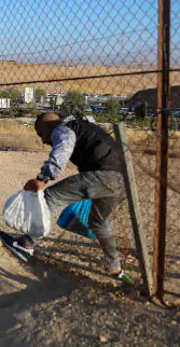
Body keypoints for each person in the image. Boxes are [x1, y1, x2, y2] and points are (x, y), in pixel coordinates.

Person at [21, 112, 125, 277]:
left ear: (48, 126)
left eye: (41, 134)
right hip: (120, 181)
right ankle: (114, 266)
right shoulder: (85, 125)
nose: (43, 140)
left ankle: (27, 243)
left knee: (50, 196)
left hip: (103, 176)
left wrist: (42, 178)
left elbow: (62, 150)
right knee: (97, 223)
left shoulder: (63, 129)